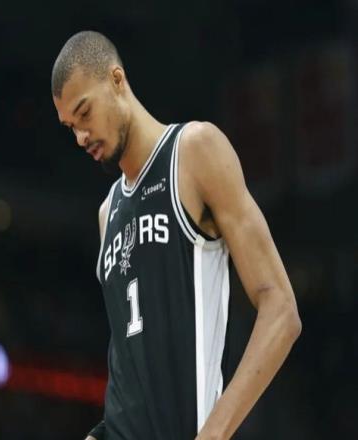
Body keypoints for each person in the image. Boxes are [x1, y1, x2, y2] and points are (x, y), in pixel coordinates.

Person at [51, 31, 301, 440]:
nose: (80, 136)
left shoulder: (195, 151)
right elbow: (131, 372)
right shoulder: (107, 213)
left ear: (117, 80)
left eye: (84, 112)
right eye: (70, 126)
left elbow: (282, 310)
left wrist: (215, 433)